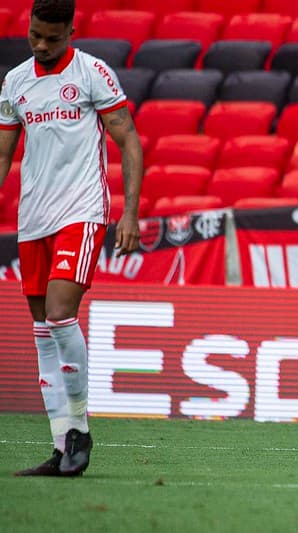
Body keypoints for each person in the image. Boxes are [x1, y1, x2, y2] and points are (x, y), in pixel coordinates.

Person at [0, 0, 143, 476]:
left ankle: (79, 428)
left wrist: (130, 214)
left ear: (70, 32)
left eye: (52, 38)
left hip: (81, 213)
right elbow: (3, 155)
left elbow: (128, 140)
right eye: (35, 35)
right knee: (42, 332)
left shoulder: (91, 73)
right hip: (33, 219)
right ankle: (62, 446)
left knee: (61, 315)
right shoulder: (15, 82)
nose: (42, 45)